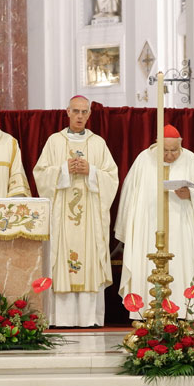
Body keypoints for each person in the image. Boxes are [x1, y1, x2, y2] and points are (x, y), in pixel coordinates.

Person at [33, 96, 119, 327]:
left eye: (84, 112)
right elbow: (40, 174)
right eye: (76, 111)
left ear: (89, 115)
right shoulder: (54, 142)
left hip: (90, 216)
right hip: (62, 217)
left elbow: (112, 177)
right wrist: (63, 170)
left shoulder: (98, 143)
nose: (80, 116)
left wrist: (91, 171)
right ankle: (60, 318)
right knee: (61, 257)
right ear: (67, 112)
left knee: (89, 257)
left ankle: (89, 318)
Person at [115, 125, 194, 319]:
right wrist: (128, 226)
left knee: (181, 263)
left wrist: (191, 194)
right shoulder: (144, 159)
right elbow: (129, 193)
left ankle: (181, 313)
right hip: (148, 225)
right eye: (165, 151)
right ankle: (145, 314)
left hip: (181, 228)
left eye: (174, 151)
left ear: (181, 145)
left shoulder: (191, 159)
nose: (169, 156)